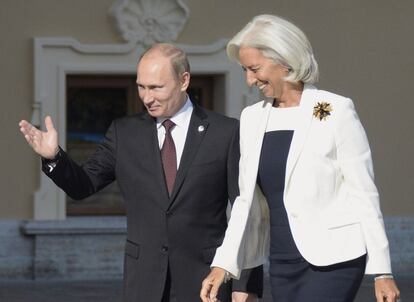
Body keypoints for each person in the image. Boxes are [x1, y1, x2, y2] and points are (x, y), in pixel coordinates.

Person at [19, 43, 262, 302]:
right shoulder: (124, 133)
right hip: (144, 283)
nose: (147, 97)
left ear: (184, 81)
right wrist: (54, 157)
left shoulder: (225, 132)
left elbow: (246, 211)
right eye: (141, 86)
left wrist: (245, 285)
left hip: (207, 282)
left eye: (156, 87)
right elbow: (83, 185)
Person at [200, 15, 401, 302]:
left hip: (336, 259)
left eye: (254, 68)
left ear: (285, 60)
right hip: (283, 260)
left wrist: (382, 272)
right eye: (244, 70)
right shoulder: (252, 118)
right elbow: (245, 202)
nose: (249, 79)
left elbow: (363, 193)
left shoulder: (335, 110)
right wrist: (223, 264)